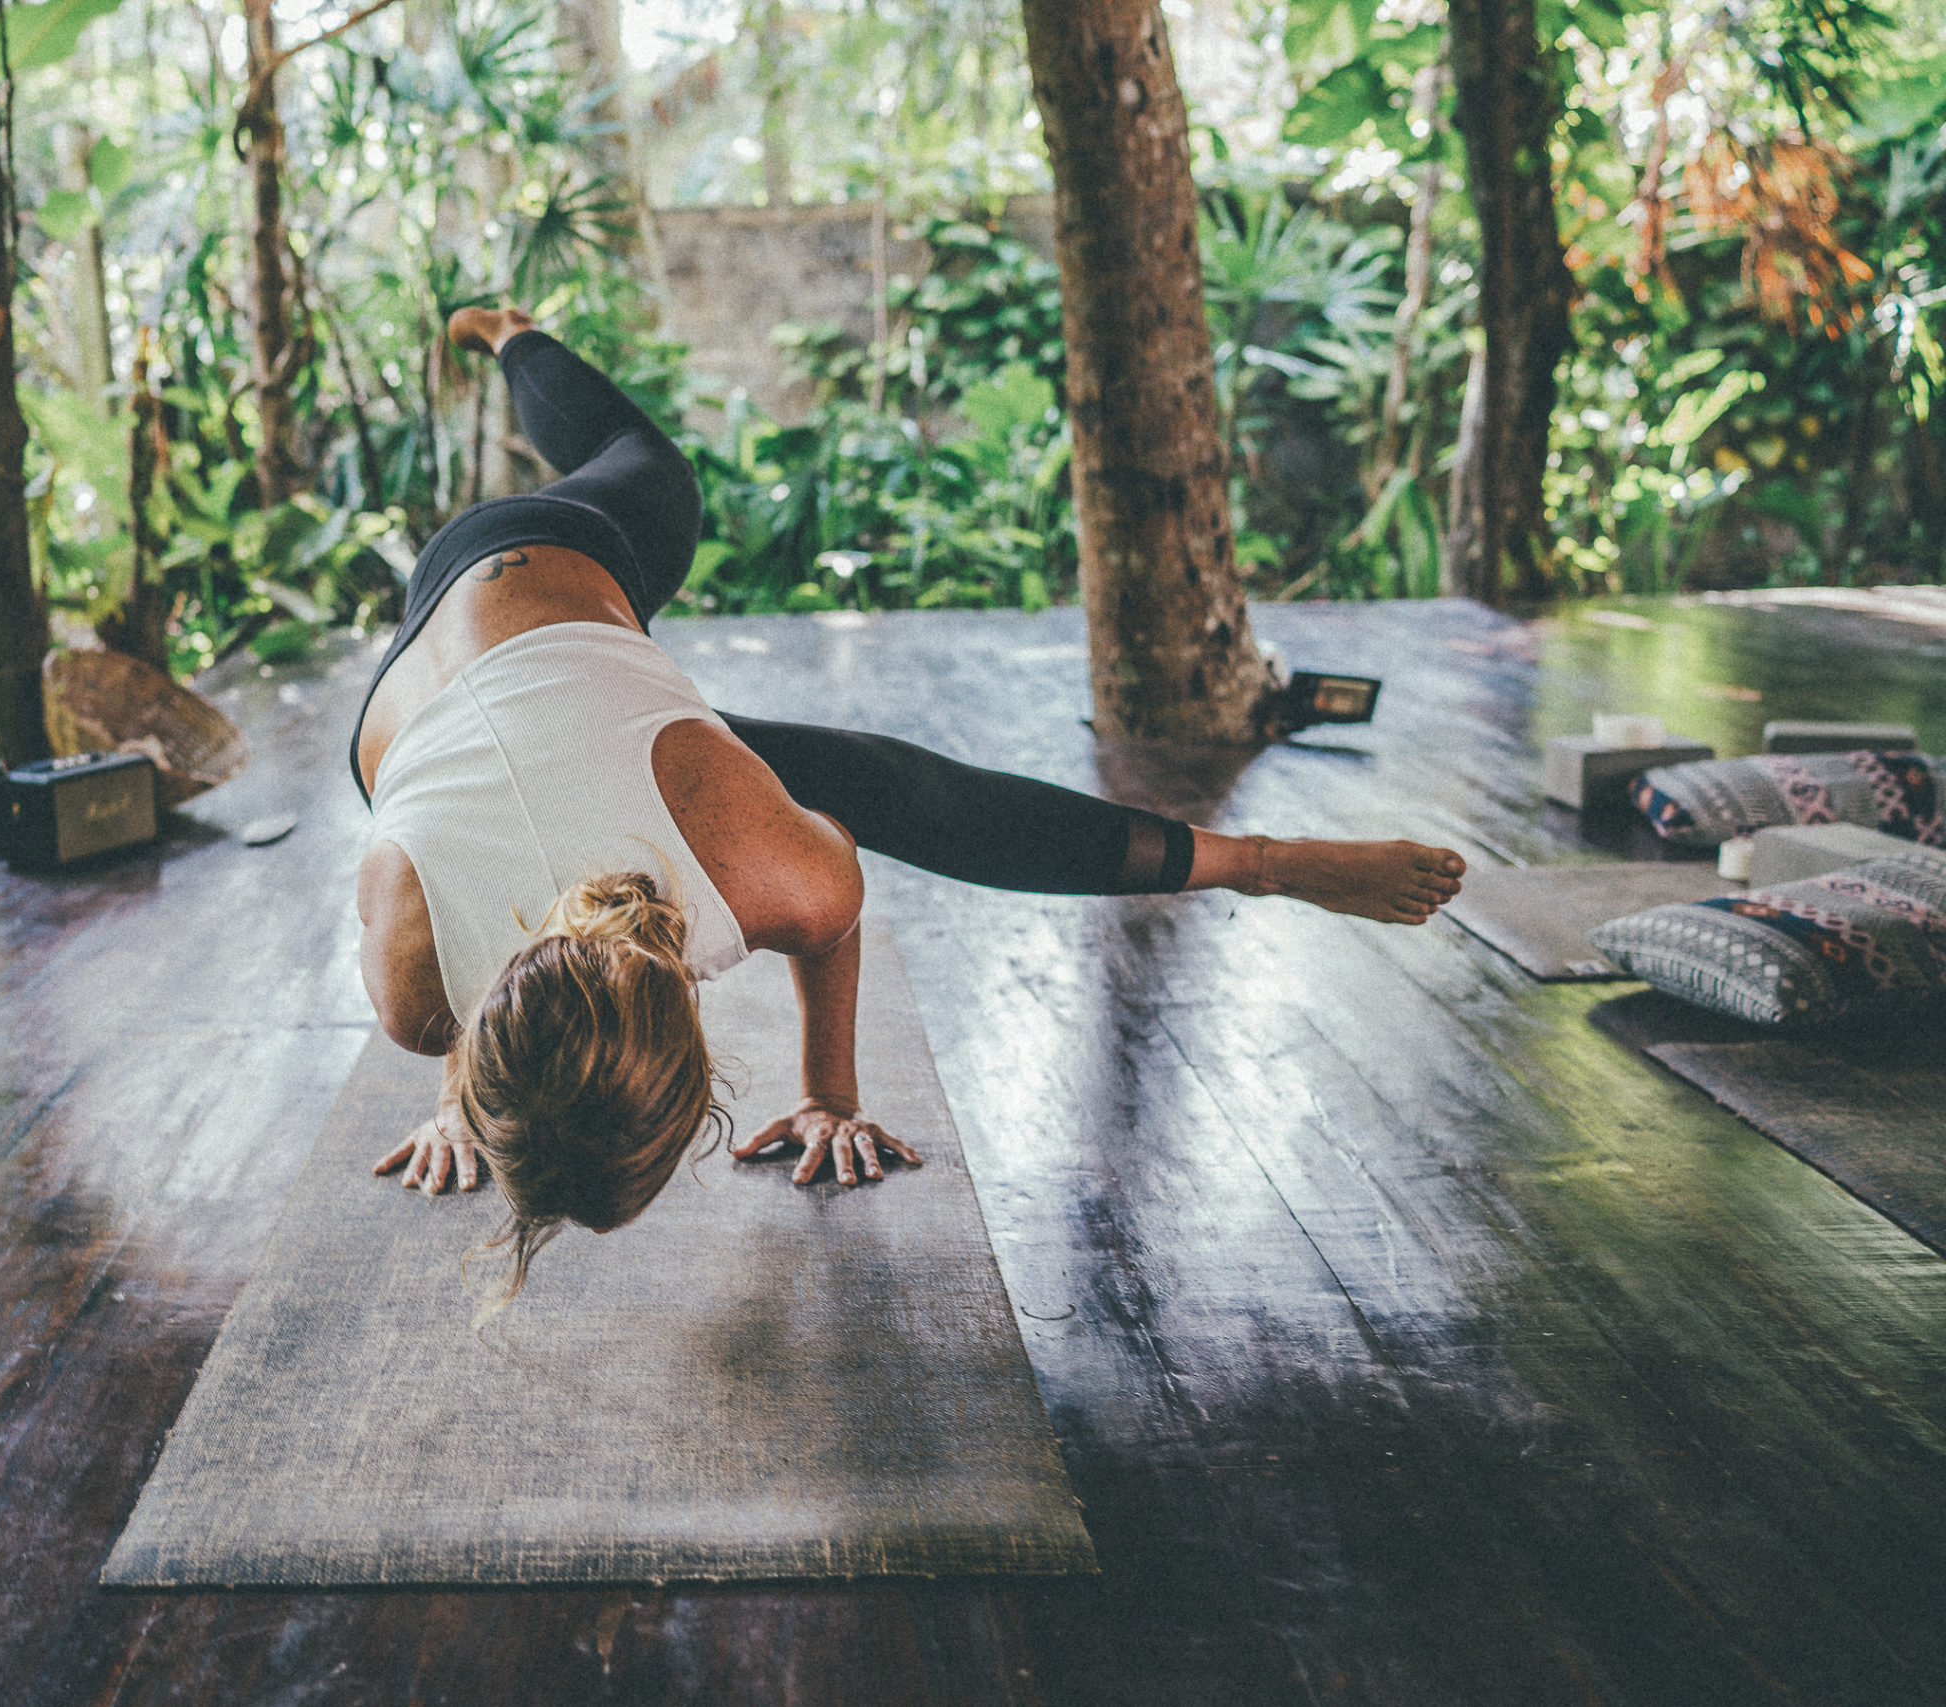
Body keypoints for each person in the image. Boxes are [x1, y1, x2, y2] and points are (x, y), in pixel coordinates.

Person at [357, 308, 1464, 1299]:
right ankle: (511, 339)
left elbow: (830, 918)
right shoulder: (426, 999)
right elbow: (494, 987)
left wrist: (827, 1093)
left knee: (876, 758)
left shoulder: (745, 872)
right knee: (822, 752)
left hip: (541, 564)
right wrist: (472, 1103)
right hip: (502, 696)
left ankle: (511, 335)